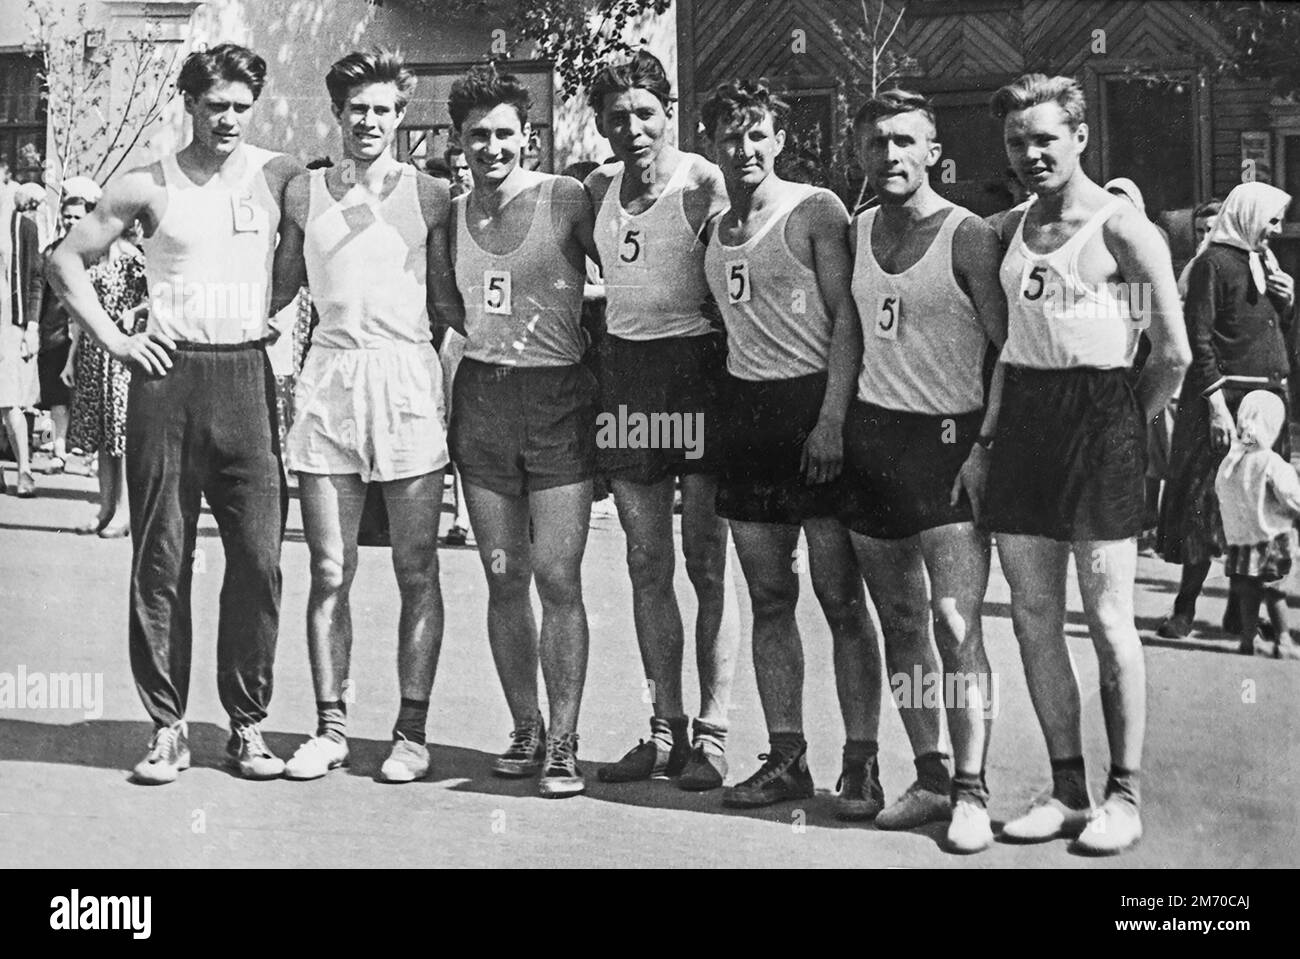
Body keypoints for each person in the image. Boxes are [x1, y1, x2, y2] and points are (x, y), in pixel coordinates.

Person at [49, 43, 302, 784]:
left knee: (259, 558)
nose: (227, 118)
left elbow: (307, 246)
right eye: (214, 104)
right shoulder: (146, 185)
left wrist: (270, 310)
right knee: (161, 556)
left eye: (239, 106)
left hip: (246, 377)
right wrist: (119, 340)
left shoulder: (278, 174)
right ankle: (167, 725)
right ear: (189, 104)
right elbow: (64, 260)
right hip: (168, 378)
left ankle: (248, 724)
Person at [981, 74, 1190, 854]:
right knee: (1035, 618)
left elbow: (1171, 352)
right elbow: (1005, 347)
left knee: (1107, 620)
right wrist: (989, 438)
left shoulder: (1123, 229)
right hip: (1025, 423)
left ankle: (1123, 793)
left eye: (1045, 138)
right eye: (1016, 141)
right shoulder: (1008, 227)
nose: (1031, 153)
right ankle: (1066, 786)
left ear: (1079, 138)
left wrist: (1125, 423)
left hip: (1101, 420)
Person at [273, 49, 456, 783]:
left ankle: (411, 732)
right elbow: (275, 292)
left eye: (383, 109)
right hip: (329, 380)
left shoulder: (432, 194)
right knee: (327, 568)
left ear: (400, 114)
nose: (370, 121)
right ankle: (329, 728)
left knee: (417, 567)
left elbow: (451, 306)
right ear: (339, 114)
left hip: (406, 380)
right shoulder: (304, 192)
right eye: (358, 110)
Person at [699, 79, 882, 810]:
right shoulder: (715, 226)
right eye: (728, 135)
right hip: (748, 417)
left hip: (815, 409)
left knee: (841, 596)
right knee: (770, 594)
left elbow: (847, 320)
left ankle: (862, 760)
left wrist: (833, 420)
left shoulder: (814, 210)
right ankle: (786, 756)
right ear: (713, 142)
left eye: (755, 134)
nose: (742, 148)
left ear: (778, 139)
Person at [844, 90, 1008, 852]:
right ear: (861, 153)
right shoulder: (857, 229)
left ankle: (974, 786)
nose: (891, 157)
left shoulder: (969, 237)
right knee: (902, 619)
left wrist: (985, 446)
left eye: (905, 142)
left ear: (933, 152)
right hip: (875, 441)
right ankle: (931, 772)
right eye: (877, 144)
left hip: (950, 443)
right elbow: (851, 332)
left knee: (954, 620)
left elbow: (1008, 351)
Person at [582, 50, 738, 791]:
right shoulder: (596, 187)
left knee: (707, 560)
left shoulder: (703, 183)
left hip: (698, 372)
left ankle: (714, 731)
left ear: (667, 110)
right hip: (630, 376)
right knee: (647, 563)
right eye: (618, 117)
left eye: (645, 112)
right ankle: (662, 727)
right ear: (602, 125)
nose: (632, 127)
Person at [446, 63, 601, 798]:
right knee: (504, 575)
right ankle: (525, 726)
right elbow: (448, 306)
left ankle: (566, 739)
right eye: (478, 135)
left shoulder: (565, 198)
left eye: (505, 133)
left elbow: (628, 268)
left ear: (527, 135)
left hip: (557, 401)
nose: (492, 147)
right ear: (459, 141)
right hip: (483, 400)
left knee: (557, 575)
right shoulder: (451, 212)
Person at [1156, 182, 1293, 640]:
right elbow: (1198, 338)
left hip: (1265, 403)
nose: (1276, 229)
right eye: (1270, 219)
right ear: (1248, 215)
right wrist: (1215, 406)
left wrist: (1288, 300)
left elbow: (1268, 327)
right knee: (1203, 507)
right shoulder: (1211, 265)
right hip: (1224, 402)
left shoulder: (1264, 263)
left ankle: (1242, 612)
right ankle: (1185, 608)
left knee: (1253, 508)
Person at [63, 223, 146, 538]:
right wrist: (71, 358)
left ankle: (124, 510)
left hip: (120, 353)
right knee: (101, 436)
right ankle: (105, 507)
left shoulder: (134, 260)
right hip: (92, 353)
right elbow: (85, 315)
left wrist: (134, 312)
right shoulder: (95, 260)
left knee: (119, 436)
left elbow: (159, 297)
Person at [1214, 390, 1300, 659]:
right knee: (1275, 591)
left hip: (1241, 540)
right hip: (1271, 537)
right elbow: (1290, 496)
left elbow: (1221, 490)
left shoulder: (1233, 460)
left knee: (1248, 592)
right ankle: (1284, 639)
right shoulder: (1272, 462)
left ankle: (1248, 639)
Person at [35, 194, 92, 474]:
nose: (71, 221)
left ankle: (92, 455)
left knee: (88, 396)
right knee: (57, 396)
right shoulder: (50, 253)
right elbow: (40, 295)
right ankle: (59, 451)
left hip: (90, 335)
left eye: (77, 216)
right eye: (67, 216)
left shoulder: (96, 252)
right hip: (56, 333)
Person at [1, 181, 45, 497]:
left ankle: (24, 471)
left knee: (9, 400)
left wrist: (31, 325)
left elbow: (35, 278)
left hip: (8, 323)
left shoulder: (22, 227)